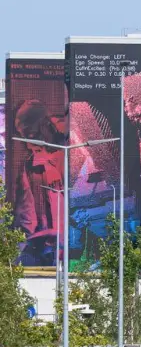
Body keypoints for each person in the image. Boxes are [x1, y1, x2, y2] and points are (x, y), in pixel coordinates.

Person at [10, 98, 67, 266]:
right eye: (24, 138)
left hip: (76, 248)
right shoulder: (31, 167)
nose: (28, 145)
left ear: (45, 125)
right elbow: (26, 218)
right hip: (47, 248)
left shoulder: (74, 152)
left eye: (31, 136)